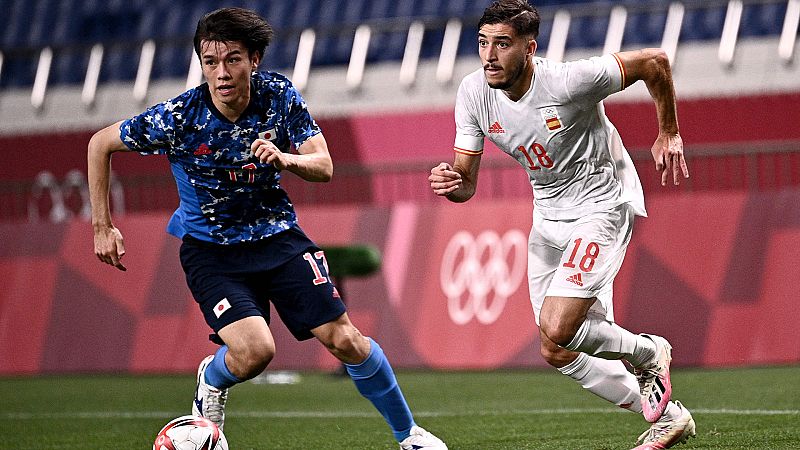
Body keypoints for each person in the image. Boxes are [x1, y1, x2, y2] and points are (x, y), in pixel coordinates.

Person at [88, 7, 446, 450]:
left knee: (346, 339)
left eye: (232, 59)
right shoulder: (179, 117)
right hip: (212, 252)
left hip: (278, 238)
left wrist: (285, 158)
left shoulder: (279, 96)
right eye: (210, 61)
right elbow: (99, 143)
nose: (221, 72)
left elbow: (325, 165)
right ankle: (211, 377)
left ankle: (409, 435)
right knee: (256, 353)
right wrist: (103, 226)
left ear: (254, 60)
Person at [428, 1, 695, 449]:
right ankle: (670, 418)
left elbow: (655, 61)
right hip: (548, 216)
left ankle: (651, 352)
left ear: (529, 49)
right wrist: (450, 182)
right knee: (556, 348)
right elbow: (466, 184)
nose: (489, 55)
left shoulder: (569, 81)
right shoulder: (474, 92)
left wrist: (668, 131)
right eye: (482, 43)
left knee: (557, 325)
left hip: (601, 206)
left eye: (502, 44)